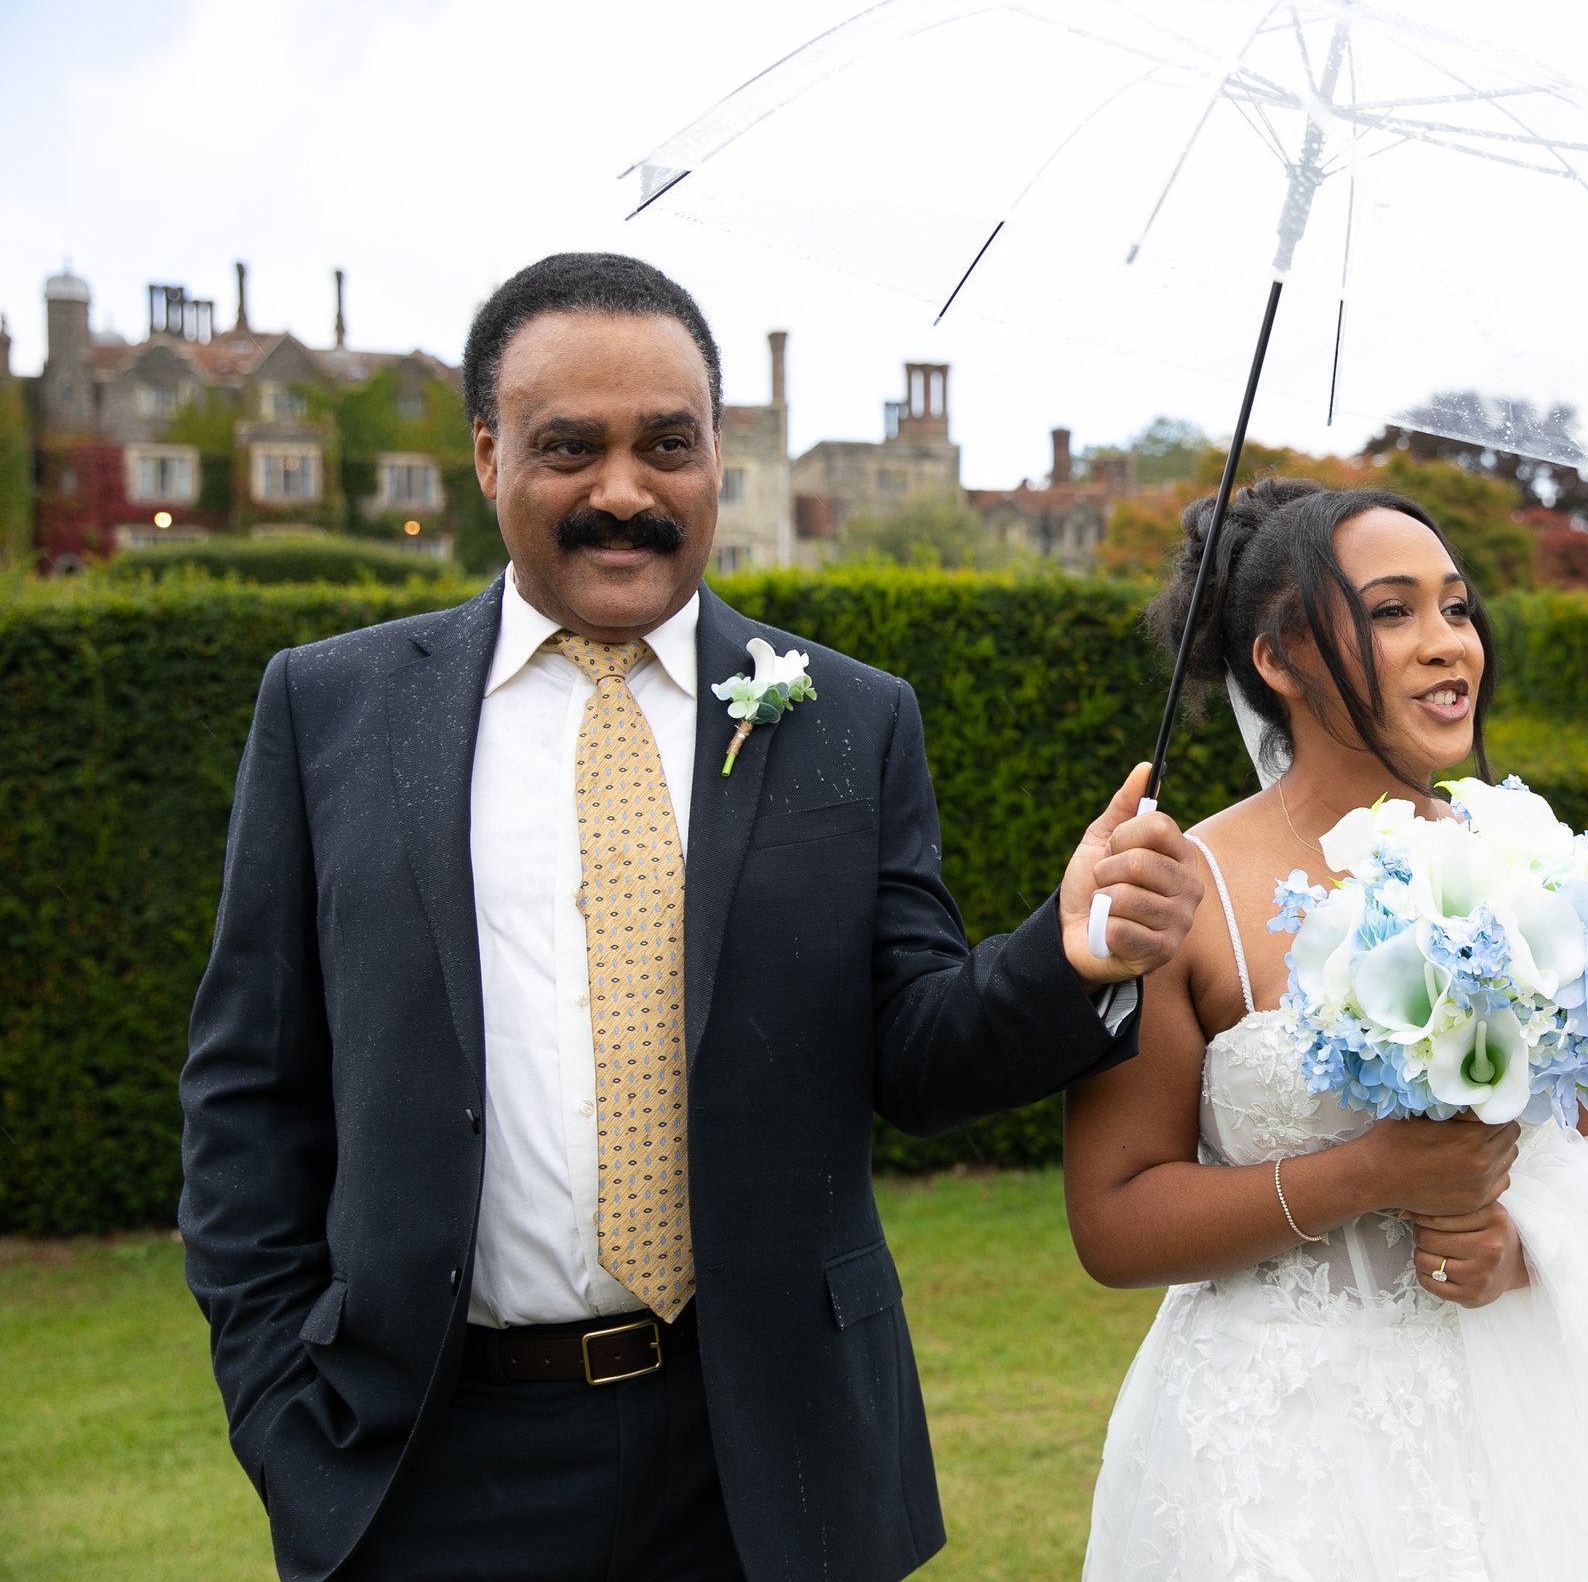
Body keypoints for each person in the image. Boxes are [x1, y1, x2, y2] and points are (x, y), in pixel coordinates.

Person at [178, 252, 1204, 1582]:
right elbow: (250, 1087)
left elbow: (915, 1053)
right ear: (487, 455)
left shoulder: (850, 717)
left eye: (667, 444)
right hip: (430, 1455)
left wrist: (1066, 956)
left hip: (763, 1458)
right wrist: (281, 1411)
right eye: (570, 446)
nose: (624, 490)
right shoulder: (332, 709)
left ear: (717, 454)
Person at [1069, 480, 1588, 1581]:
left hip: (1530, 1424)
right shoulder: (1179, 892)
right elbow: (1113, 1218)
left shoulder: (1536, 865)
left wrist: (1528, 1250)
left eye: (1456, 606)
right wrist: (1363, 1175)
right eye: (1392, 611)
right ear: (1279, 657)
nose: (1449, 643)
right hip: (1280, 1452)